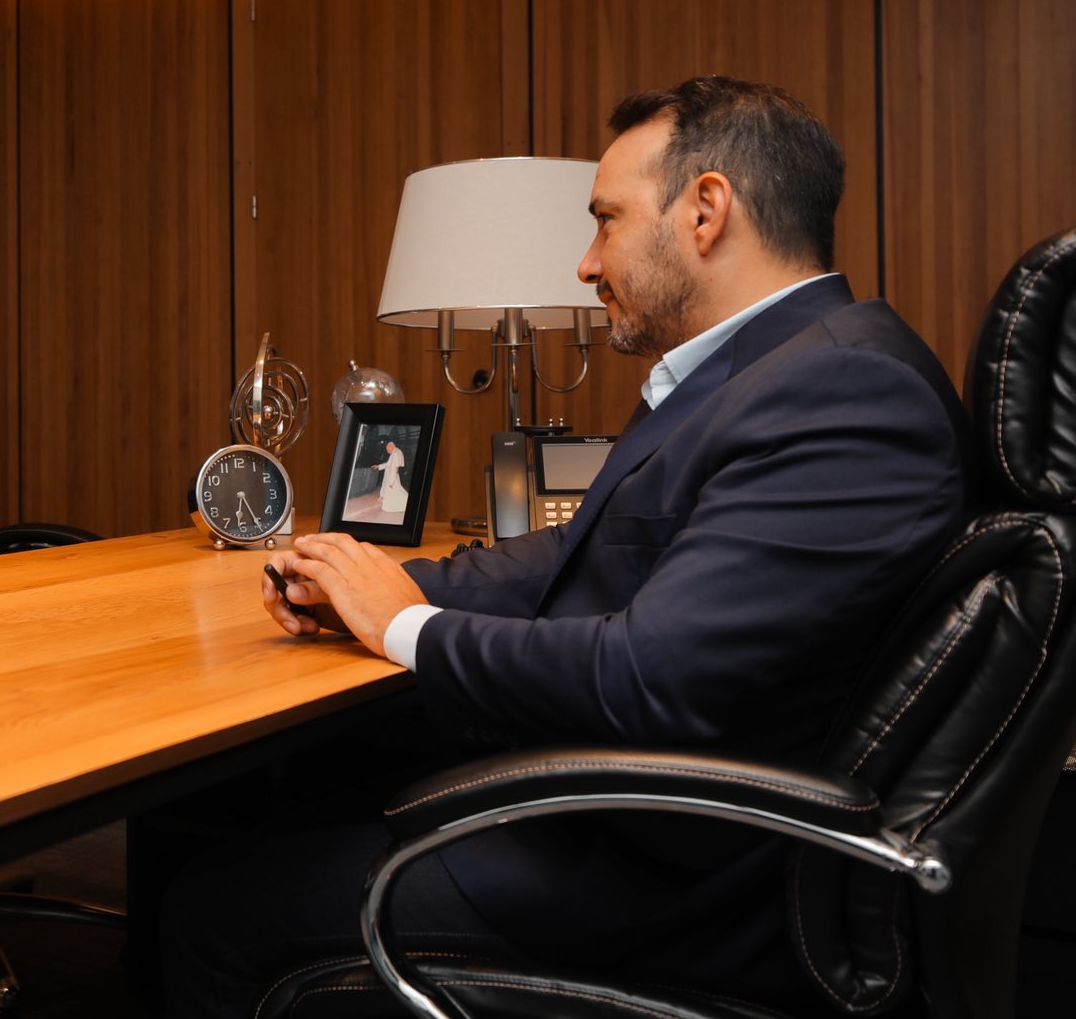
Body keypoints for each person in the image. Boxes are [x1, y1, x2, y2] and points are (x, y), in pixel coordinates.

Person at [162, 76, 973, 1015]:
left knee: (212, 912)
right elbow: (574, 559)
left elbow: (652, 676)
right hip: (641, 825)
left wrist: (405, 627)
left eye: (605, 221)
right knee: (264, 802)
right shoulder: (765, 374)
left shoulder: (844, 390)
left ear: (706, 210)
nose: (587, 265)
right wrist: (366, 584)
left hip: (681, 883)